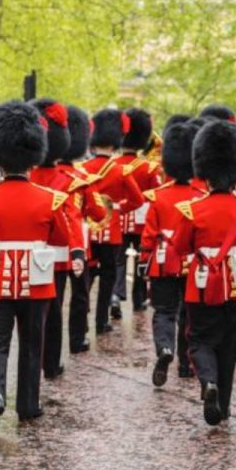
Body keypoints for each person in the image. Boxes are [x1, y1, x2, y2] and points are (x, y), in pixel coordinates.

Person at [0, 101, 80, 434]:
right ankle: (28, 405)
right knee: (32, 342)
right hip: (37, 282)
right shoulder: (48, 199)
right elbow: (59, 236)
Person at [171, 120, 236, 426]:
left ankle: (208, 380)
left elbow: (179, 247)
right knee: (230, 346)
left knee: (199, 339)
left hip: (201, 284)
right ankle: (222, 407)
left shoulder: (191, 209)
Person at [26, 99, 97, 378]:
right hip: (58, 252)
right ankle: (51, 364)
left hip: (25, 253)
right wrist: (78, 251)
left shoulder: (25, 175)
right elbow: (73, 218)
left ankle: (32, 362)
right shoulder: (69, 179)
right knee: (54, 309)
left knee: (32, 313)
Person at [140, 122, 204, 385]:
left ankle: (164, 348)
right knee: (188, 312)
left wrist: (144, 260)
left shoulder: (158, 196)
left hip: (163, 259)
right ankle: (186, 364)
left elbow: (149, 233)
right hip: (190, 261)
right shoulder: (201, 194)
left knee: (164, 310)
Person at [82, 109, 145, 334]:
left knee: (86, 276)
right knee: (109, 276)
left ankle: (81, 317)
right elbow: (137, 200)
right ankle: (101, 321)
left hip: (88, 229)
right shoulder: (120, 171)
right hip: (112, 228)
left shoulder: (83, 169)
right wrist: (118, 208)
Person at [57, 105, 107, 353]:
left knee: (51, 299)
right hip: (77, 246)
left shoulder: (39, 175)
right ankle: (77, 339)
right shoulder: (81, 178)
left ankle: (49, 343)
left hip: (49, 246)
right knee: (79, 296)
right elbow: (99, 213)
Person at [110, 108, 161, 316]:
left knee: (119, 260)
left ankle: (115, 294)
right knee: (142, 259)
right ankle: (138, 300)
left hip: (118, 219)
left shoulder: (111, 165)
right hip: (142, 221)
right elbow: (155, 195)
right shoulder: (148, 168)